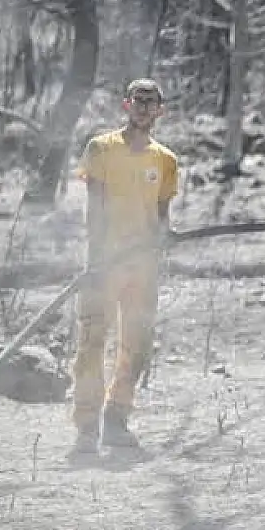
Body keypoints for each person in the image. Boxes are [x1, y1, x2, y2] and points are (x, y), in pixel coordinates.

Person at [71, 78, 179, 454]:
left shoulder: (165, 159)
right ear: (126, 104)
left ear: (160, 111)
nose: (144, 107)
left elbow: (161, 214)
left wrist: (167, 237)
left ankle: (116, 418)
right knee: (92, 340)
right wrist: (97, 258)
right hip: (105, 262)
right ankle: (86, 427)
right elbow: (94, 208)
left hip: (143, 265)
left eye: (152, 102)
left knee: (137, 342)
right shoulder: (101, 148)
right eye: (139, 100)